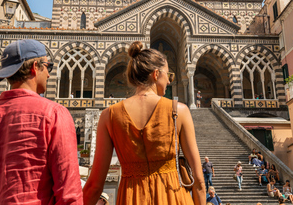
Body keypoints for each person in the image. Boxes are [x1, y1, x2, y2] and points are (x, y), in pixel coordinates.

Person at [83, 41, 205, 204]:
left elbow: (94, 186)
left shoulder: (108, 116)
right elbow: (199, 181)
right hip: (173, 198)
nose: (169, 82)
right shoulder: (179, 111)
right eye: (168, 75)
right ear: (156, 74)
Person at [0, 39, 82, 205]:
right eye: (48, 66)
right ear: (34, 67)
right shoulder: (54, 114)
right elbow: (69, 194)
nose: (48, 74)